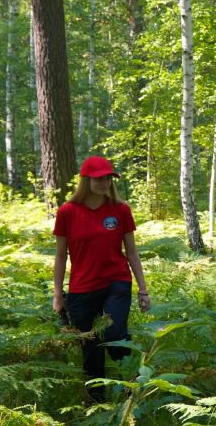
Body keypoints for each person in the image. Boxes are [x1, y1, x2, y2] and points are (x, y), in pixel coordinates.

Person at [52, 156, 151, 403]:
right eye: (98, 178)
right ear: (86, 180)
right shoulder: (67, 212)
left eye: (108, 177)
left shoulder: (120, 210)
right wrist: (57, 294)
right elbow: (61, 255)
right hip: (82, 288)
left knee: (116, 336)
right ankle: (96, 403)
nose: (104, 182)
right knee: (91, 347)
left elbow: (132, 251)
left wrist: (143, 289)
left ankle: (133, 392)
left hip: (116, 282)